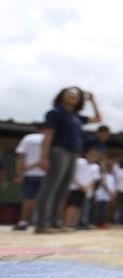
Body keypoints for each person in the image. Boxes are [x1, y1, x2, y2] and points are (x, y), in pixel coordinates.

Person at [33, 87, 103, 233]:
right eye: (69, 93)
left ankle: (56, 222)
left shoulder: (77, 117)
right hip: (59, 151)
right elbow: (49, 135)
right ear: (62, 96)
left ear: (79, 99)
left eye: (76, 95)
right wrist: (44, 156)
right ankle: (42, 223)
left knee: (63, 189)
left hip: (74, 154)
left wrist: (93, 101)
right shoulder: (55, 113)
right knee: (51, 187)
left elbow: (98, 119)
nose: (72, 95)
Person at [13, 124, 46, 230]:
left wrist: (19, 173)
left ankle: (23, 222)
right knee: (44, 200)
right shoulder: (51, 139)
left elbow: (21, 156)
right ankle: (41, 222)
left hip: (29, 173)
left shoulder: (28, 138)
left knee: (28, 198)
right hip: (45, 174)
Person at [64, 147, 102, 229]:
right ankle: (67, 223)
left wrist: (87, 187)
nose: (93, 157)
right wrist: (79, 185)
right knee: (72, 206)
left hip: (86, 190)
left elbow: (94, 179)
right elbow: (72, 174)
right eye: (91, 155)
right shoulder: (79, 162)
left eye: (95, 156)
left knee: (79, 206)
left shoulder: (96, 167)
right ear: (87, 154)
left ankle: (74, 224)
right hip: (75, 187)